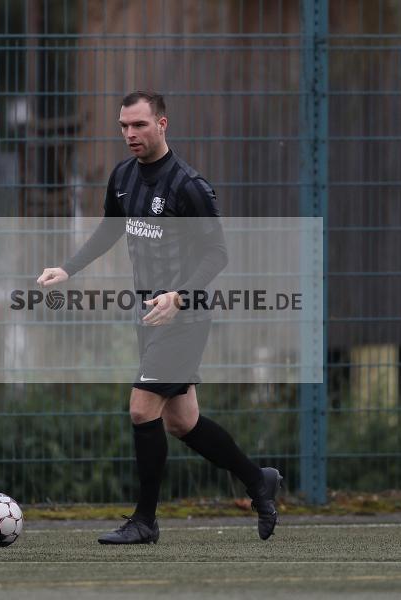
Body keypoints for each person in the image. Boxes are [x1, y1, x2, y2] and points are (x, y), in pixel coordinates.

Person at [37, 90, 281, 544]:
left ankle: (145, 521)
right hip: (148, 315)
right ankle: (257, 480)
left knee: (141, 407)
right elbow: (109, 231)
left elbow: (218, 253)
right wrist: (68, 268)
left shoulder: (188, 185)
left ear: (162, 124)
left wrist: (179, 296)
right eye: (124, 126)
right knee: (182, 421)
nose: (130, 134)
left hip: (185, 316)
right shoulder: (123, 177)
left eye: (140, 125)